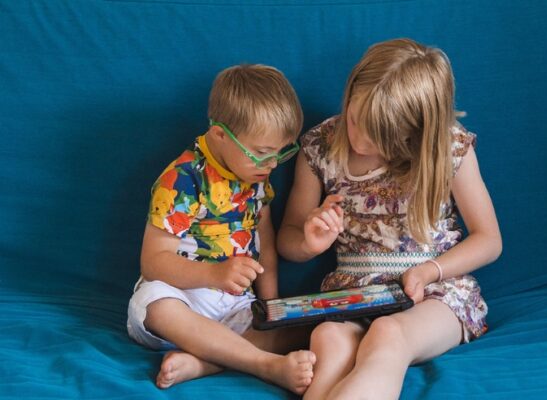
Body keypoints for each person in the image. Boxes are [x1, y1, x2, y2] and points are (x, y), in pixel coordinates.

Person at [277, 38, 502, 400]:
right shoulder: (319, 146)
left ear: (417, 133)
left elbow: (489, 239)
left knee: (388, 334)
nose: (360, 141)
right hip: (352, 294)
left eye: (380, 137)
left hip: (434, 296)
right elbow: (287, 239)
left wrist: (429, 271)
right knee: (328, 337)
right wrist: (308, 242)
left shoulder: (447, 147)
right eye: (354, 121)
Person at [126, 64, 316, 394]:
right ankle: (265, 365)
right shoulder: (183, 181)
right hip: (180, 298)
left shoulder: (256, 177)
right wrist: (214, 275)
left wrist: (271, 304)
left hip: (234, 308)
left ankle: (203, 363)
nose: (272, 165)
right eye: (262, 153)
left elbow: (265, 244)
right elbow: (153, 262)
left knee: (305, 326)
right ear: (219, 136)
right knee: (154, 304)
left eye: (282, 153)